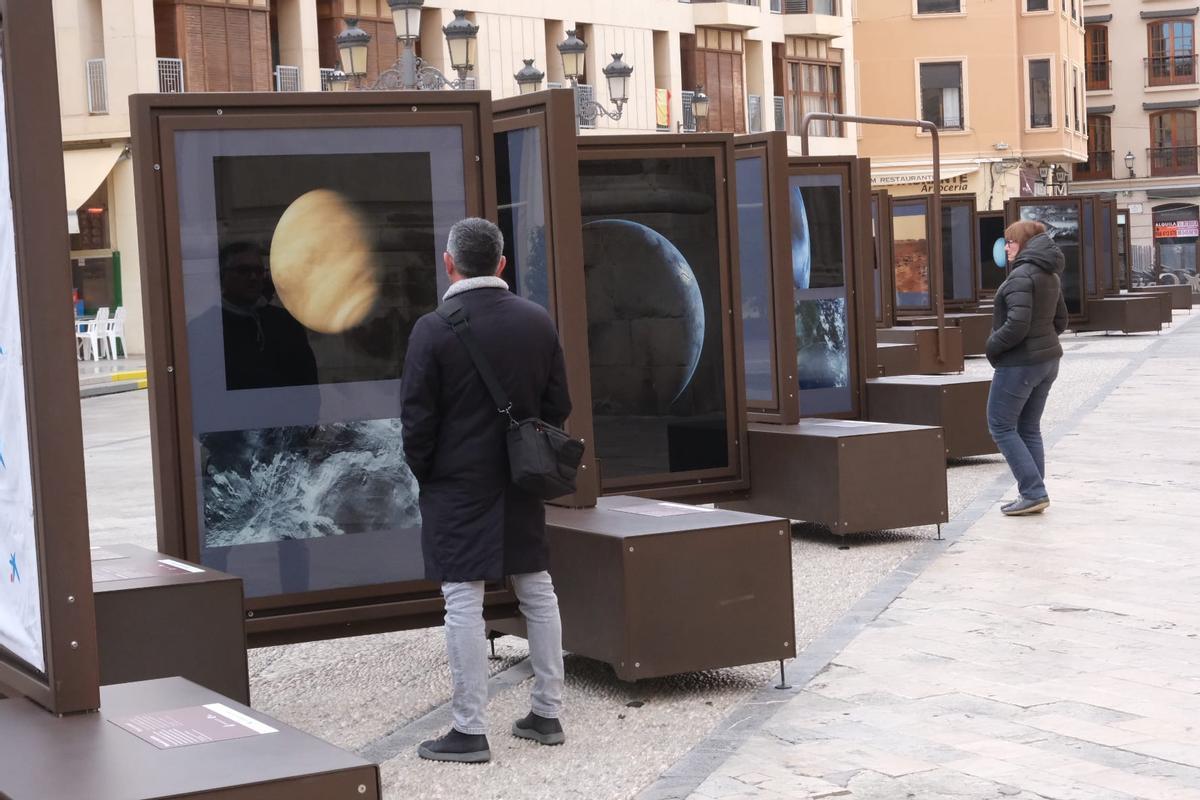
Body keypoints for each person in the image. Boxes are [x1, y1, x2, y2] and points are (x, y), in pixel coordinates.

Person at [400, 218, 571, 764]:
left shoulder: (432, 328)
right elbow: (557, 404)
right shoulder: (536, 321)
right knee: (537, 589)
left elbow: (416, 420)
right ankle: (547, 713)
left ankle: (469, 728)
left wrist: (428, 472)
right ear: (501, 265)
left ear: (450, 263)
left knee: (461, 600)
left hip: (456, 482)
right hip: (521, 477)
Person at [985, 220, 1069, 517]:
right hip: (1047, 361)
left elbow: (1016, 326)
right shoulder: (1049, 274)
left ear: (1022, 242)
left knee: (1000, 425)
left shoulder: (1022, 275)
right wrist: (1042, 343)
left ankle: (1033, 491)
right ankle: (1034, 493)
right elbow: (1061, 322)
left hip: (1020, 363)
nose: (1006, 247)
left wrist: (991, 346)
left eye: (1010, 241)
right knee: (1028, 427)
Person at [218, 241, 317, 390]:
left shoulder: (286, 323)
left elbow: (308, 382)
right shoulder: (209, 327)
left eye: (258, 271)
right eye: (243, 270)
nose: (253, 277)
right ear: (222, 275)